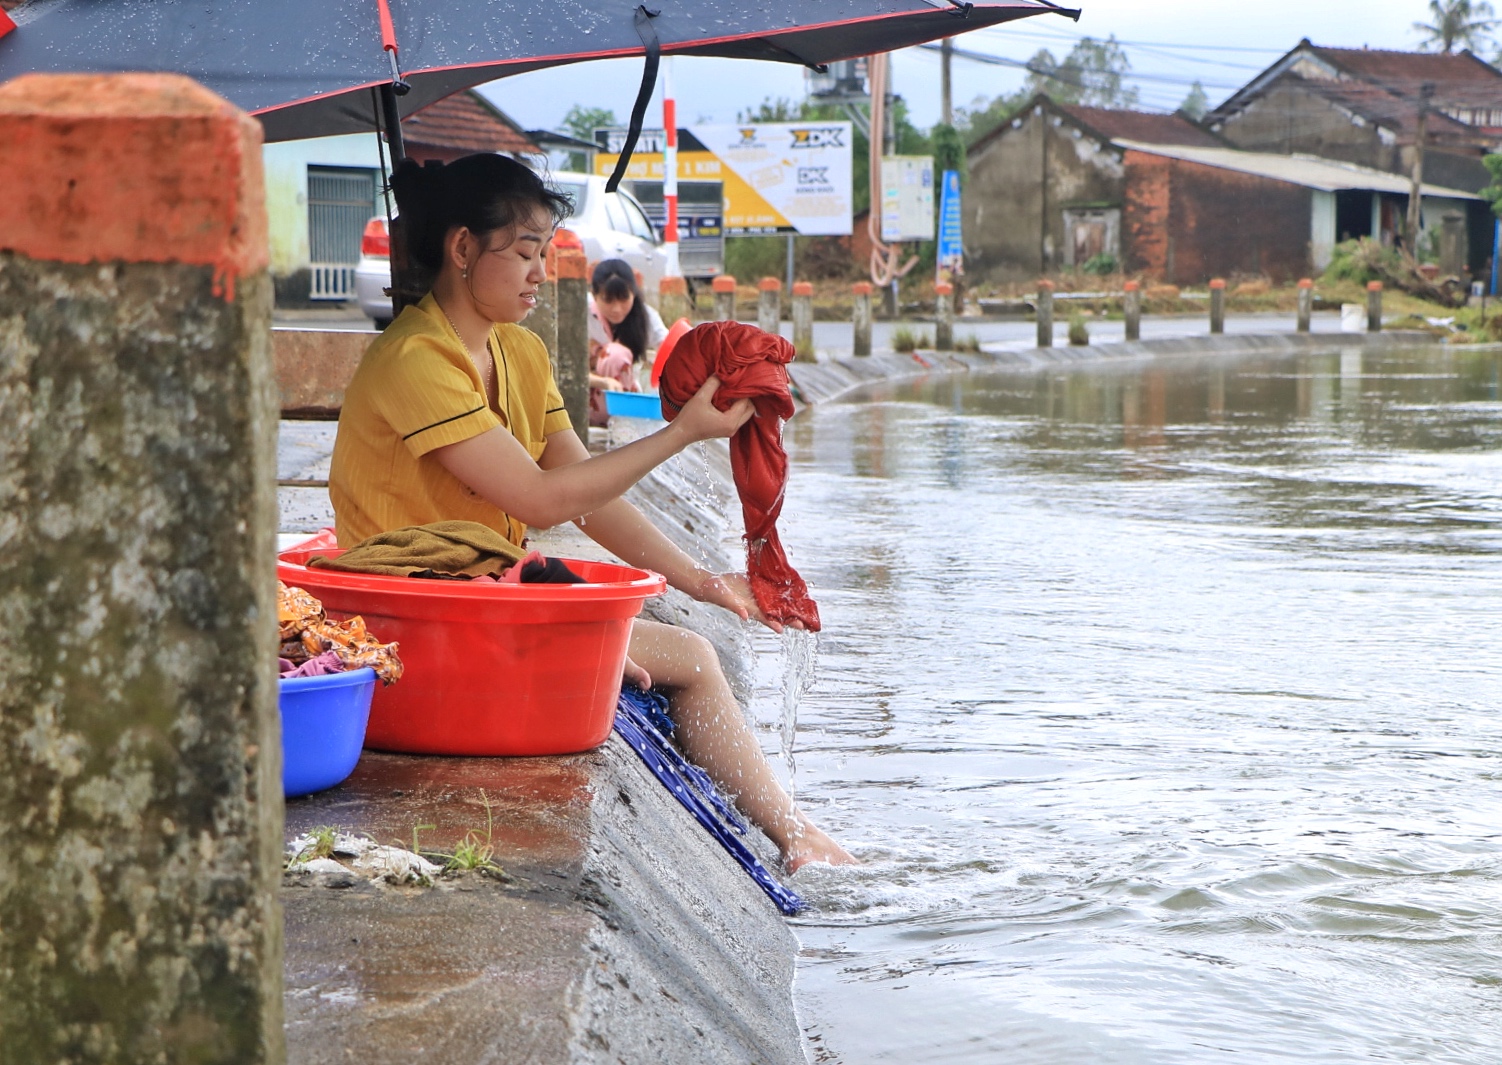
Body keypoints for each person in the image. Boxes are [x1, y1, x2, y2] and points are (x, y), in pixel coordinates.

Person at [328, 153, 855, 873]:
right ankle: (797, 836)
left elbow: (585, 492)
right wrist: (682, 433)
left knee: (660, 643)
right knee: (693, 660)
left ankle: (797, 833)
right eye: (522, 252)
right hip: (410, 632)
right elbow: (542, 501)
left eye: (544, 251)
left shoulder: (520, 350)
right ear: (460, 248)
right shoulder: (414, 359)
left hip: (481, 606)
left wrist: (703, 581)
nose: (540, 271)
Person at [587, 258, 669, 426]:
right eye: (608, 300)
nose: (617, 308)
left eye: (624, 299)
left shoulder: (646, 317)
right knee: (615, 354)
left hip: (626, 399)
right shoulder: (581, 313)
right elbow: (564, 368)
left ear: (634, 293)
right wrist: (602, 382)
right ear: (594, 296)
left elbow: (670, 347)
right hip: (584, 395)